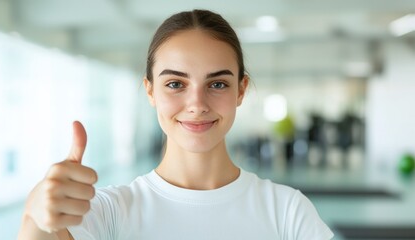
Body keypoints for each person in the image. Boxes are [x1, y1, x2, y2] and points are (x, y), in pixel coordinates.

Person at [18, 9, 334, 240]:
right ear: (150, 90)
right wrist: (35, 214)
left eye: (218, 84)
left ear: (240, 89)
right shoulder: (109, 213)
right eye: (175, 84)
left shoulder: (287, 212)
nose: (197, 104)